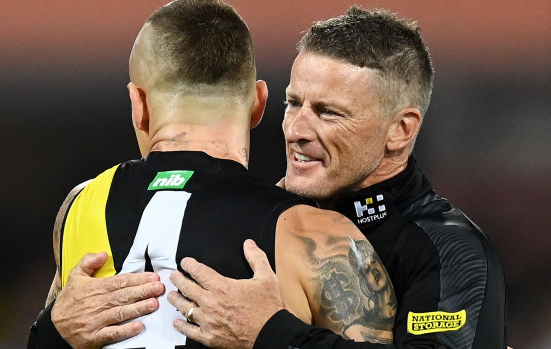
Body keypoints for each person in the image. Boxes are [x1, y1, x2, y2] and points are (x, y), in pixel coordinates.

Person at [27, 1, 397, 348]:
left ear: (138, 105)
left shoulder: (78, 207)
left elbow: (54, 334)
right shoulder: (315, 236)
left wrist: (48, 331)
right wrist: (275, 335)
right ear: (258, 104)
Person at [169, 6, 508, 349]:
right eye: (293, 103)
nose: (295, 130)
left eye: (328, 112)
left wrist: (269, 333)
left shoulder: (446, 252)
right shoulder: (252, 217)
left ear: (400, 130)